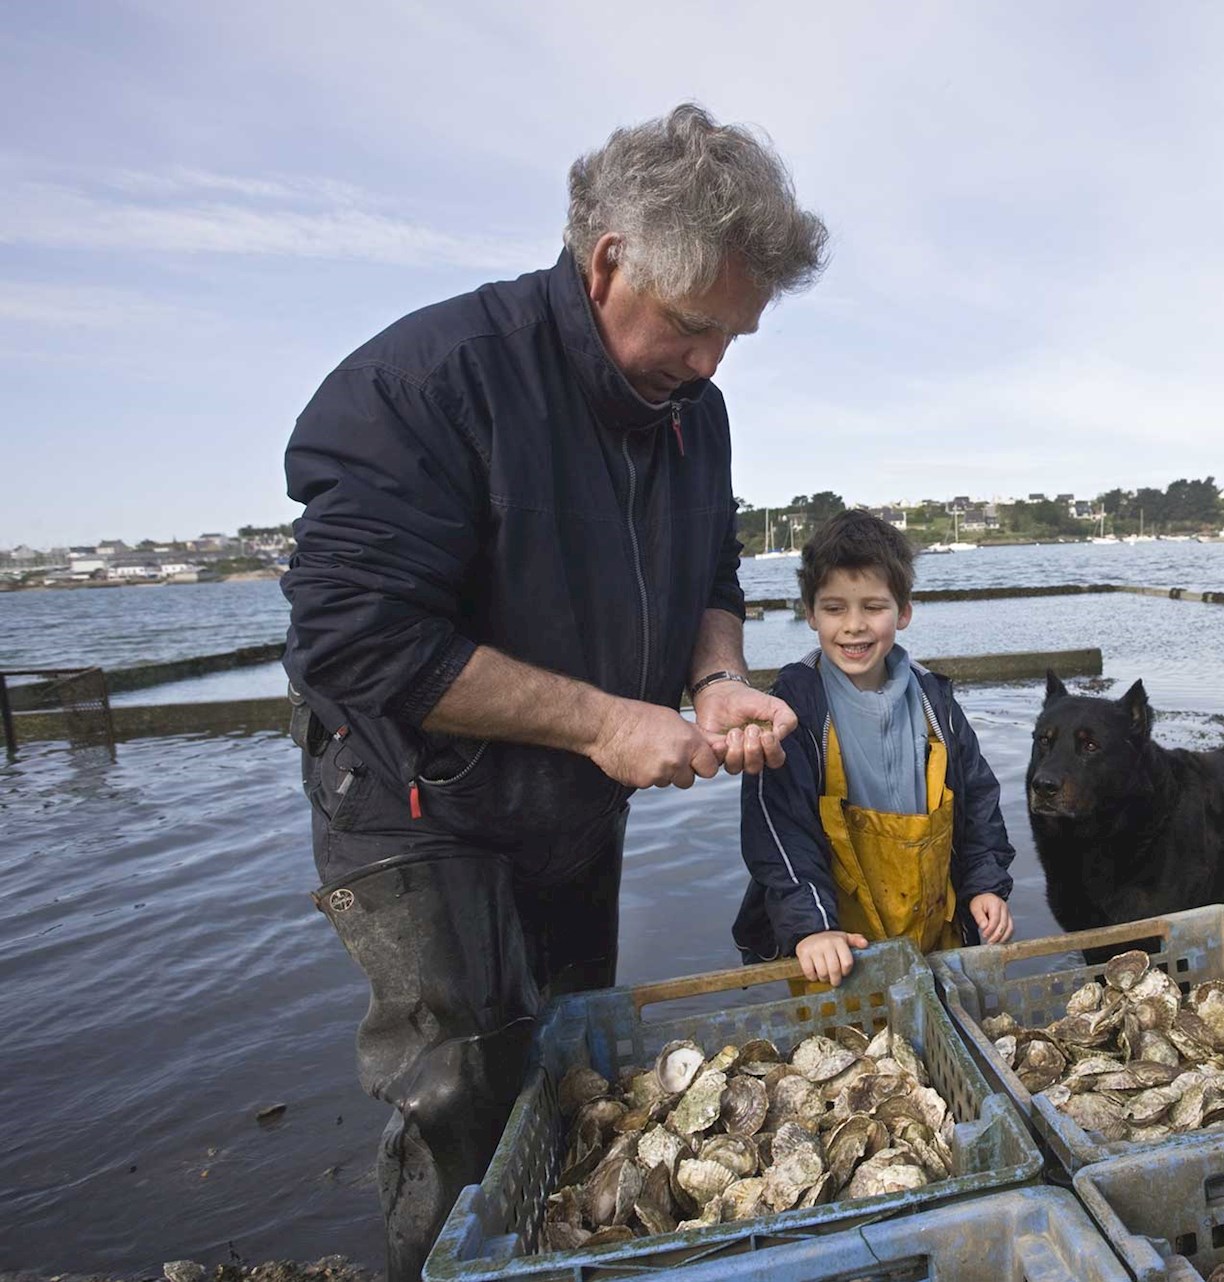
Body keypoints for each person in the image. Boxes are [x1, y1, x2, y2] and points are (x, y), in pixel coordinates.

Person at [279, 105, 826, 1280]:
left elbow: (710, 574)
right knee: (465, 1100)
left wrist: (714, 675)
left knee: (573, 1072)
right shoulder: (429, 380)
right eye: (691, 327)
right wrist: (603, 720)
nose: (711, 363)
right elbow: (350, 637)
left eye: (735, 336)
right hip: (417, 806)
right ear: (608, 261)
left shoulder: (695, 413)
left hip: (574, 802)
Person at [733, 511, 1016, 987]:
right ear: (810, 613)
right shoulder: (791, 709)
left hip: (933, 935)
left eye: (874, 606)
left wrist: (985, 885)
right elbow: (776, 828)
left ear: (903, 611)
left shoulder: (936, 702)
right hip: (833, 948)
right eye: (835, 607)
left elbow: (979, 801)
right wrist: (811, 926)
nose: (854, 626)